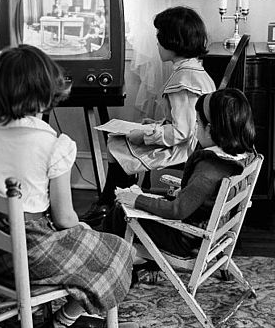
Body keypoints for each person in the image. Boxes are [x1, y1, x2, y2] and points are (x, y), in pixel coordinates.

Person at [0, 44, 136, 328]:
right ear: (45, 91)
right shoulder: (54, 145)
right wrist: (82, 228)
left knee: (86, 243)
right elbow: (63, 218)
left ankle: (52, 313)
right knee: (118, 251)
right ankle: (63, 322)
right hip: (30, 253)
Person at [82, 6, 216, 225]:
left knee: (119, 143)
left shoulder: (184, 81)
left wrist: (146, 135)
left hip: (187, 148)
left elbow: (182, 131)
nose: (157, 43)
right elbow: (184, 120)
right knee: (119, 141)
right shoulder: (192, 71)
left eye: (159, 37)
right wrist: (153, 125)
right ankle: (117, 200)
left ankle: (114, 203)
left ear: (173, 41)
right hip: (192, 141)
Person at [102, 88, 257, 258]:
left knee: (119, 213)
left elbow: (177, 210)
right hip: (215, 230)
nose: (195, 128)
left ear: (210, 129)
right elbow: (199, 196)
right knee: (141, 198)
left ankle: (117, 264)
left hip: (187, 239)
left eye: (197, 122)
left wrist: (136, 199)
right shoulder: (241, 157)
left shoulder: (208, 170)